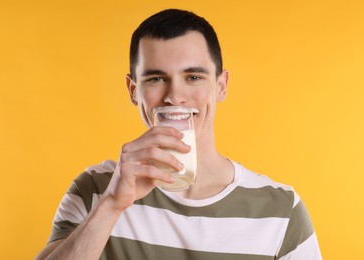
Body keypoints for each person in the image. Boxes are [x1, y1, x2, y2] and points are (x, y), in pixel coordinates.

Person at [36, 9, 322, 260]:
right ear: (133, 91)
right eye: (156, 78)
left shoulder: (282, 211)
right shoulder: (94, 191)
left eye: (193, 77)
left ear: (221, 86)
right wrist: (111, 205)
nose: (174, 96)